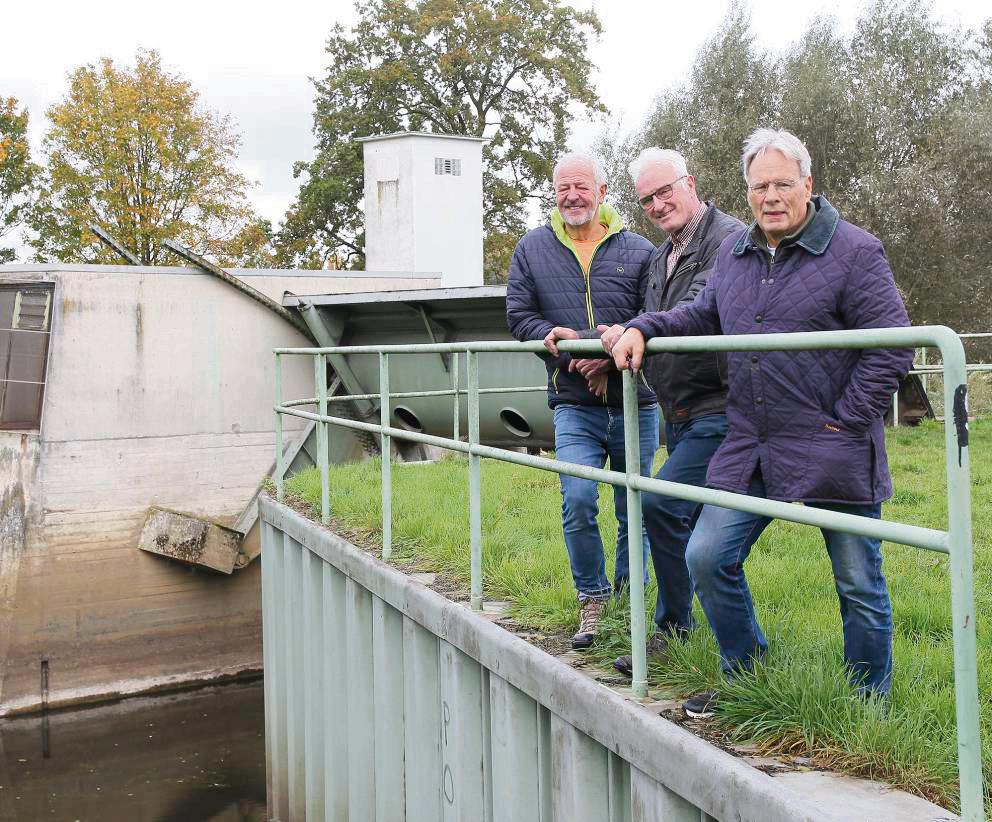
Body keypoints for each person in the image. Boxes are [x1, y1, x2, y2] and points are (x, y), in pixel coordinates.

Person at [605, 128, 913, 717]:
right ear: (746, 192)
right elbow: (701, 314)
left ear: (808, 185)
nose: (770, 196)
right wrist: (646, 325)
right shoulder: (736, 253)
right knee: (707, 555)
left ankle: (866, 706)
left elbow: (893, 349)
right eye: (759, 186)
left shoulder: (856, 251)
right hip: (751, 444)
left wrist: (845, 421)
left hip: (832, 444)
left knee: (857, 581)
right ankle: (747, 675)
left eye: (781, 184)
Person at [506, 151, 659, 649]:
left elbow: (655, 315)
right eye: (562, 189)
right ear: (554, 195)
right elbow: (519, 314)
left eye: (581, 187)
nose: (572, 196)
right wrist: (563, 345)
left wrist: (601, 351)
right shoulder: (532, 250)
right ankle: (591, 598)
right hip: (572, 400)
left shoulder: (639, 250)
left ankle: (630, 595)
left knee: (632, 504)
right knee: (576, 500)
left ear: (603, 192)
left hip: (635, 399)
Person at [608, 149, 745, 677]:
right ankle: (698, 629)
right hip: (681, 410)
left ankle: (677, 630)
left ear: (690, 183)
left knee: (665, 508)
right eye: (647, 199)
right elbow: (657, 316)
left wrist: (644, 324)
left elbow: (696, 314)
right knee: (683, 519)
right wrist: (621, 333)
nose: (659, 204)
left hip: (721, 405)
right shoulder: (663, 253)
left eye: (666, 191)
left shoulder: (728, 242)